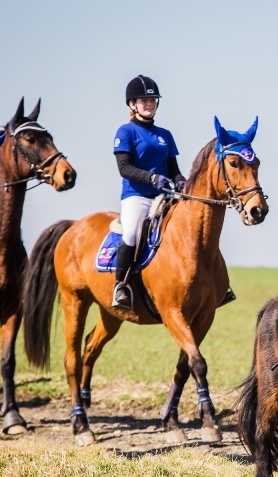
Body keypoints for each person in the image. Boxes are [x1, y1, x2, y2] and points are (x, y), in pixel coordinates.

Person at [112, 75, 186, 310]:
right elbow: (124, 168)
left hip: (165, 197)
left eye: (153, 100)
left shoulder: (165, 134)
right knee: (132, 233)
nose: (150, 103)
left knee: (192, 227)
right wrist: (152, 177)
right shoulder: (126, 132)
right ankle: (121, 286)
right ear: (132, 104)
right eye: (144, 100)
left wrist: (181, 182)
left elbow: (174, 170)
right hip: (137, 196)